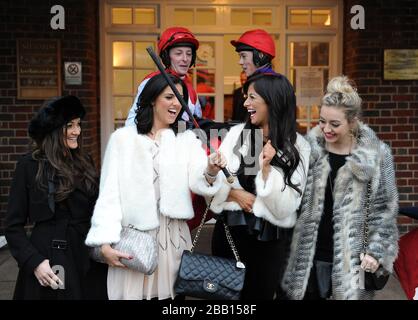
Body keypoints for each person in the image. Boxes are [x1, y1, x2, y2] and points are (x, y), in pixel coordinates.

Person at [85, 73, 226, 300]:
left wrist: (211, 170)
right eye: (169, 96)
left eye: (180, 98)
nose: (176, 103)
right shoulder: (123, 140)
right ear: (151, 99)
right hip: (133, 243)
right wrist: (103, 242)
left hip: (173, 242)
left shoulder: (187, 141)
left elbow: (200, 181)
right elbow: (109, 195)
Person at [281, 76, 399, 300]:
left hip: (354, 263)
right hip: (308, 260)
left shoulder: (376, 155)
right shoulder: (307, 150)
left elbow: (385, 210)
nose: (326, 129)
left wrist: (376, 252)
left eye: (335, 124)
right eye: (322, 121)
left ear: (353, 121)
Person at [209, 72, 311, 300]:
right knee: (226, 300)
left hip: (271, 241)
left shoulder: (298, 146)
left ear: (272, 101)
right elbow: (212, 186)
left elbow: (287, 206)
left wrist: (266, 170)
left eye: (253, 97)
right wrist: (234, 194)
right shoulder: (237, 135)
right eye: (246, 97)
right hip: (231, 234)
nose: (245, 103)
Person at [5, 96, 107, 300]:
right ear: (53, 129)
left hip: (86, 257)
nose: (77, 131)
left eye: (78, 124)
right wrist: (34, 262)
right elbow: (12, 227)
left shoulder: (84, 161)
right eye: (70, 125)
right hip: (49, 260)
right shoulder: (29, 166)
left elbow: (99, 208)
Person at [125, 26, 202, 126]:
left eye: (189, 54)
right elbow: (132, 122)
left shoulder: (191, 89)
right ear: (166, 56)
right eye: (178, 53)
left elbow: (197, 123)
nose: (185, 59)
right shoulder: (152, 81)